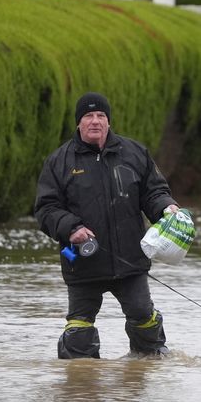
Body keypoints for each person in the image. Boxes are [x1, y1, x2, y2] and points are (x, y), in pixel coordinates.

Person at [35, 91, 182, 359]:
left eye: (101, 115)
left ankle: (146, 368)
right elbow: (46, 208)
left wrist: (166, 207)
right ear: (78, 123)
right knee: (79, 329)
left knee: (143, 316)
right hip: (82, 261)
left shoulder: (135, 153)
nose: (95, 121)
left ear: (109, 121)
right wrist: (71, 228)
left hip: (130, 260)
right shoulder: (59, 161)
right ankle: (81, 385)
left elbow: (154, 192)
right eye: (88, 116)